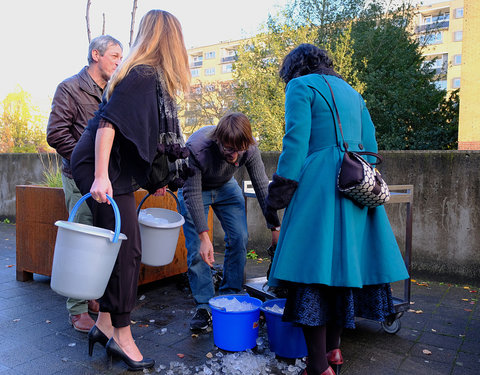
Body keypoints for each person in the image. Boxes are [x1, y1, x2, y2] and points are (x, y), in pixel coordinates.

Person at [264, 44, 409, 375]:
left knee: (312, 273)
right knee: (344, 270)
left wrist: (281, 188)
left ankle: (318, 366)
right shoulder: (353, 94)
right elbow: (370, 147)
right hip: (355, 182)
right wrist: (360, 176)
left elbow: (296, 142)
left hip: (318, 185)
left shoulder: (301, 87)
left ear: (294, 68)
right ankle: (334, 352)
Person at [70, 10, 190, 371]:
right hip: (102, 167)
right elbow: (107, 124)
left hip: (109, 166)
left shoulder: (144, 76)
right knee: (128, 250)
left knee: (116, 246)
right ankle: (122, 334)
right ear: (171, 41)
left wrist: (157, 178)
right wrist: (102, 176)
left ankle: (105, 326)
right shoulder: (142, 75)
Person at [46, 35, 123, 333]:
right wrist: (85, 164)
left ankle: (92, 296)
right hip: (79, 179)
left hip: (105, 181)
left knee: (101, 241)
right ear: (95, 54)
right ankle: (77, 309)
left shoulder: (114, 91)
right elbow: (56, 133)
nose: (119, 61)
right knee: (80, 241)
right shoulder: (69, 88)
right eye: (115, 55)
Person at [178, 112, 281, 331]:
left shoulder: (249, 149)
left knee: (239, 237)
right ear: (218, 140)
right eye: (228, 149)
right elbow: (193, 195)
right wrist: (204, 236)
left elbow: (262, 187)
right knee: (197, 248)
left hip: (225, 186)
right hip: (195, 190)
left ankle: (230, 296)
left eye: (239, 150)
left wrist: (275, 227)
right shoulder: (197, 149)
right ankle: (204, 306)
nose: (234, 156)